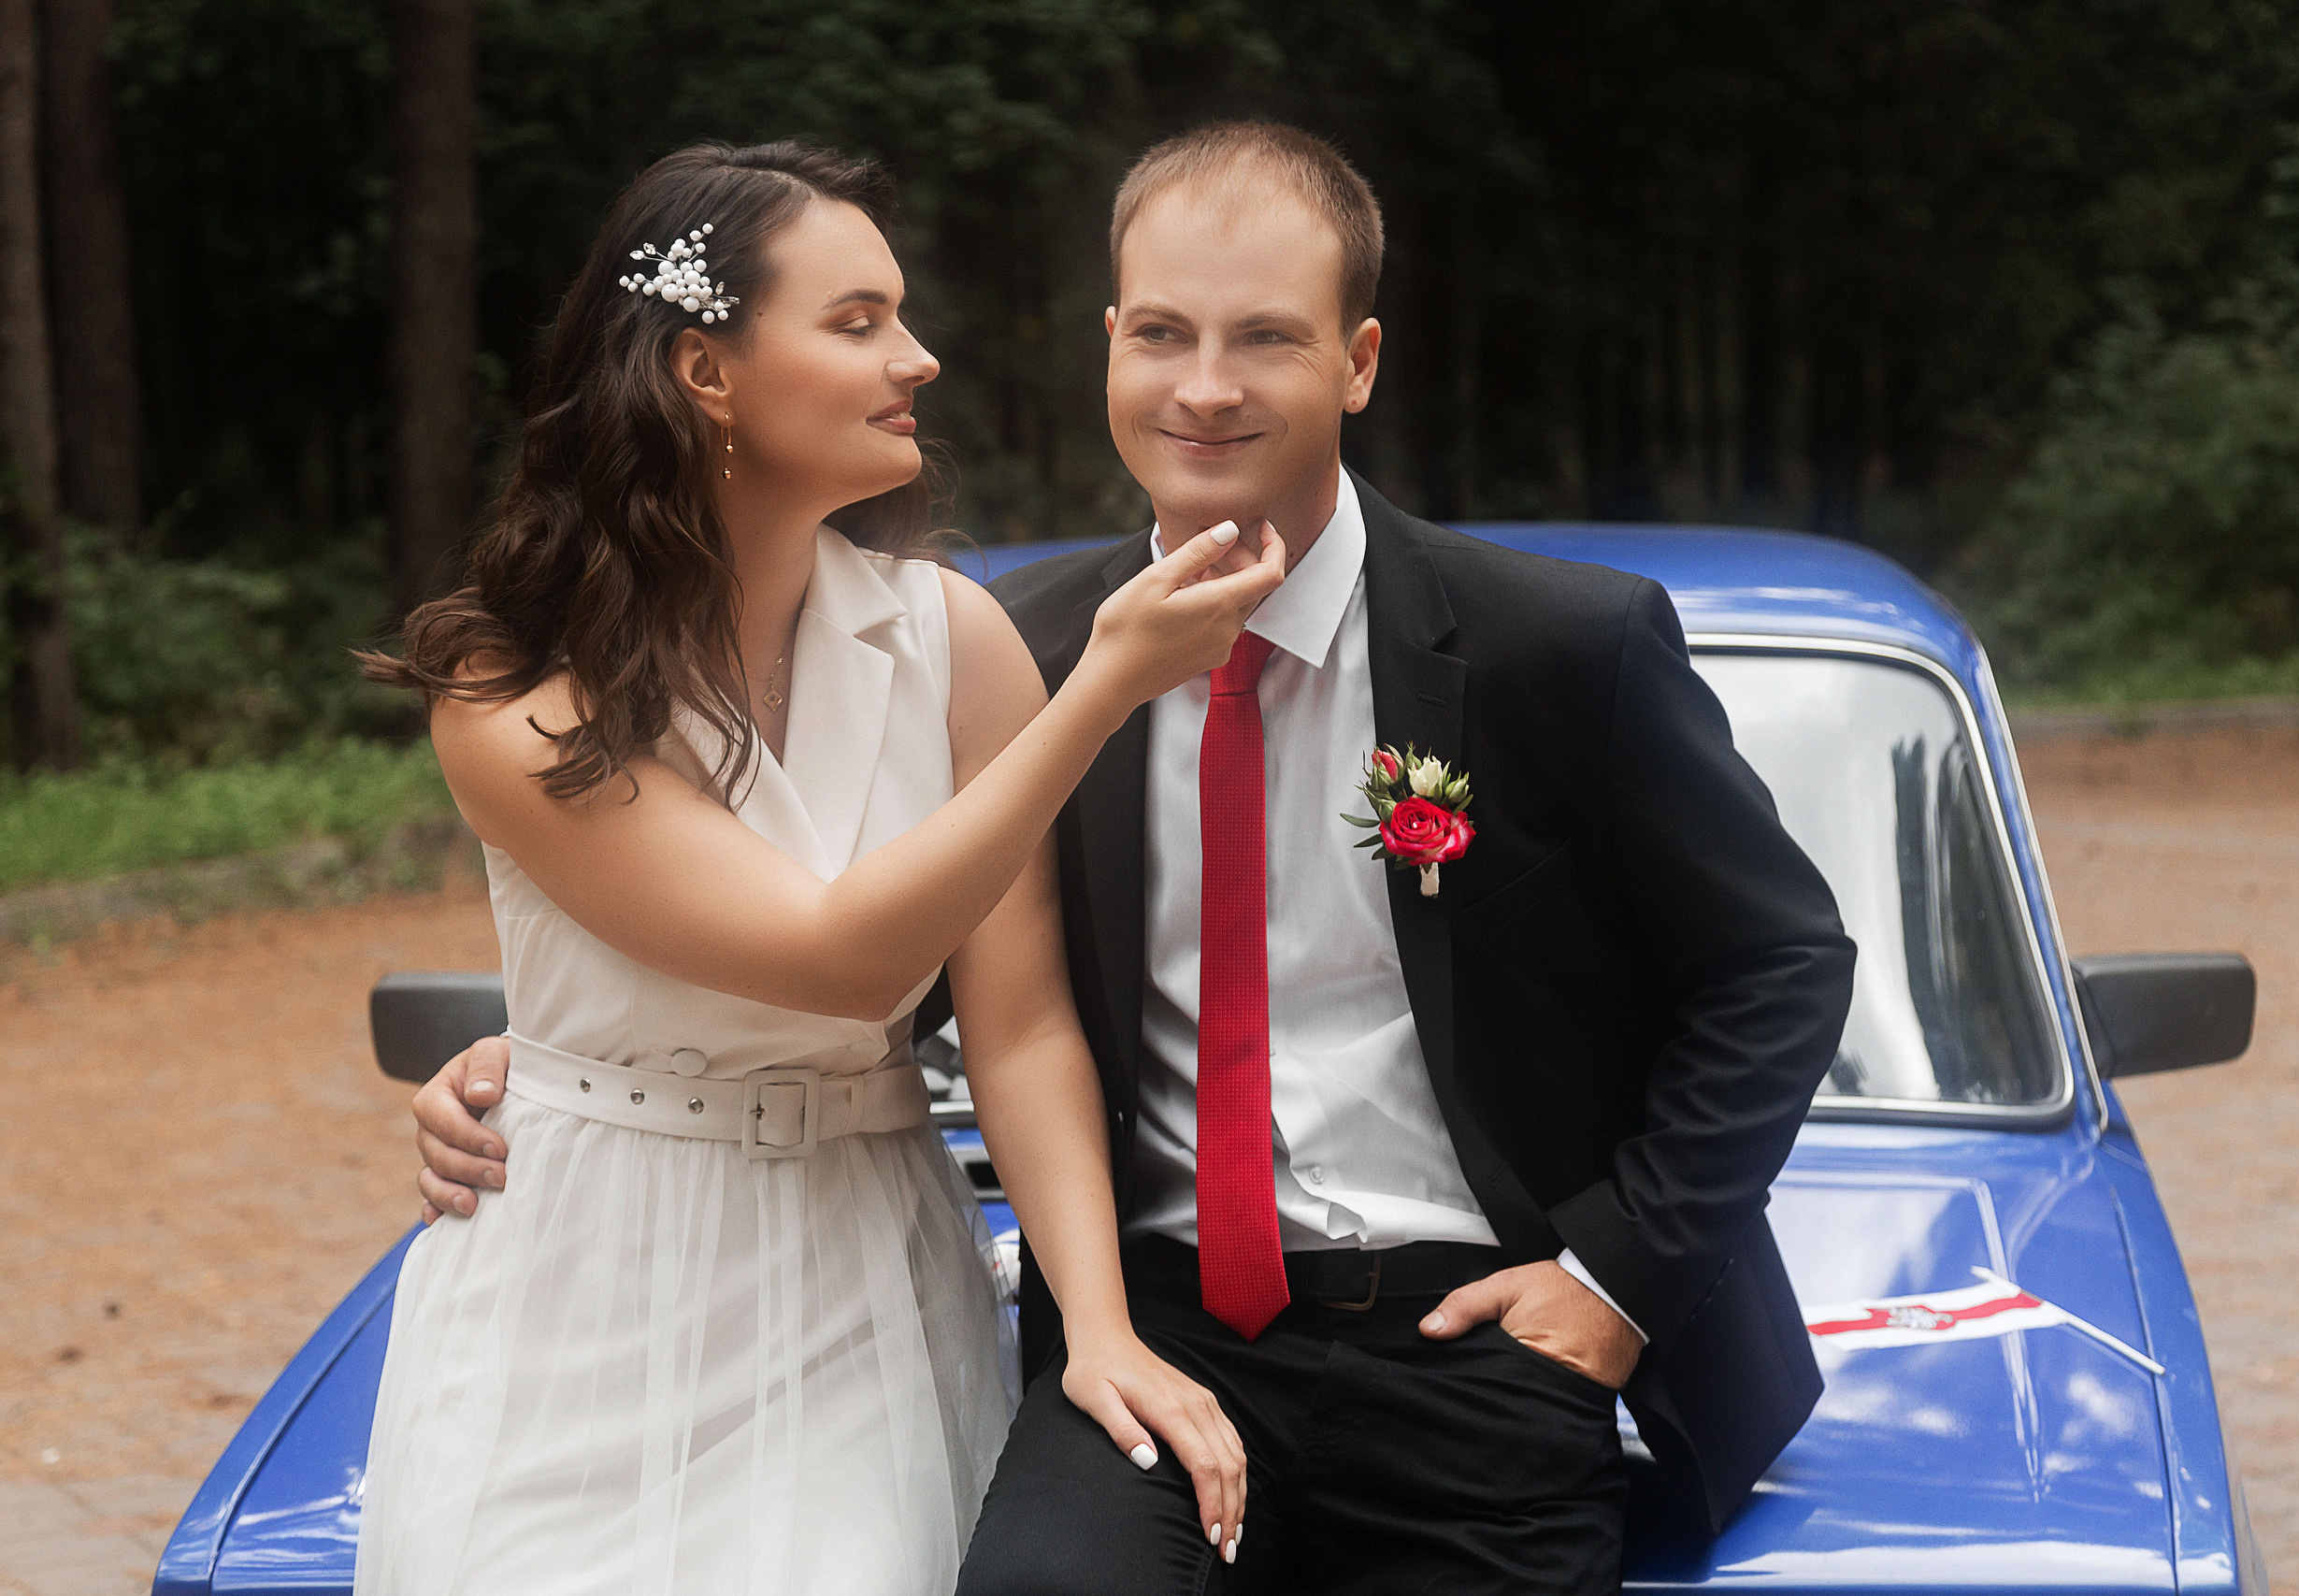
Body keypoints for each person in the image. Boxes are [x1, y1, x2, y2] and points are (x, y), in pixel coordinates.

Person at [417, 123, 1857, 1593]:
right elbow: (852, 956)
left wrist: (1616, 1277)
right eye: (1162, 333)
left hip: (1474, 1333)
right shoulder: (1027, 650)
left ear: (1358, 361)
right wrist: (540, 1056)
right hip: (1150, 1325)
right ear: (1111, 346)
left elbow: (1782, 962)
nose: (1206, 385)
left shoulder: (1559, 647)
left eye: (1266, 339)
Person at [355, 139, 1279, 1596]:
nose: (915, 359)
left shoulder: (950, 640)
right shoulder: (510, 688)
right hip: (586, 1272)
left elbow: (1022, 1022)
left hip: (863, 1256)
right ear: (705, 372)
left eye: (901, 316)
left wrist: (1095, 1325)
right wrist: (1100, 688)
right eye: (856, 323)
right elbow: (836, 953)